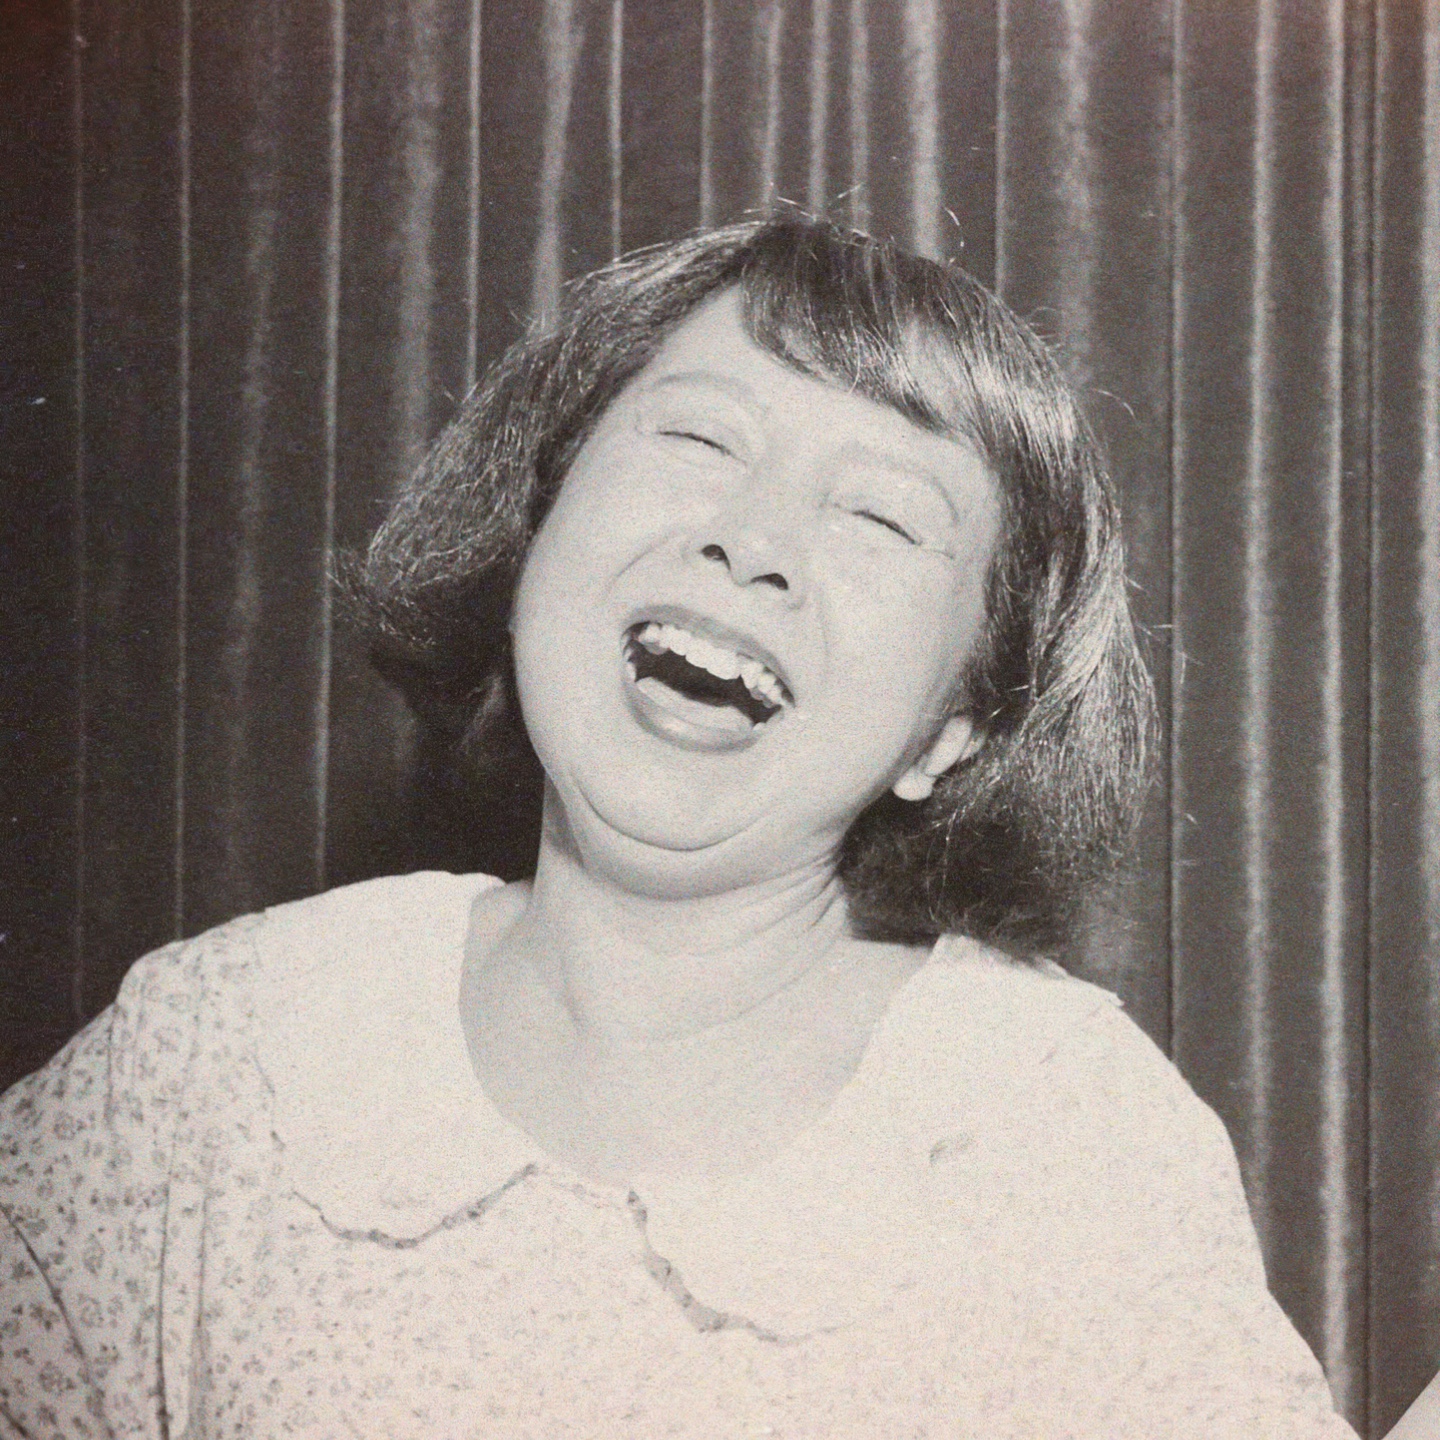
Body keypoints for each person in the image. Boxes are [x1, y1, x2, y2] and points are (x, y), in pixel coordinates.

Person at [0, 217, 1357, 1438]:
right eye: (700, 439)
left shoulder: (1055, 1131)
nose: (751, 540)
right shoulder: (222, 1050)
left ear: (951, 731)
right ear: (539, 524)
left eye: (881, 516)